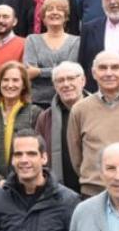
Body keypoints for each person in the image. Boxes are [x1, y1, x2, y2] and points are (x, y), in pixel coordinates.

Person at [68, 51, 119, 197]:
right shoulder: (79, 109)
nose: (108, 73)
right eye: (102, 68)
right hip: (92, 193)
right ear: (94, 73)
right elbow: (76, 157)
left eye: (115, 67)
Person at [0, 61, 42, 195]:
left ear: (24, 85)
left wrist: (17, 180)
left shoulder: (35, 113)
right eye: (5, 80)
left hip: (24, 188)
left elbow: (37, 152)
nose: (10, 85)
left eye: (15, 80)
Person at [35, 61, 88, 192]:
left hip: (94, 188)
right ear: (55, 86)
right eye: (60, 80)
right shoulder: (45, 118)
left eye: (71, 78)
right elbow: (39, 155)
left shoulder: (99, 110)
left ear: (83, 81)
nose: (66, 84)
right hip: (60, 192)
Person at [24, 0, 80, 108]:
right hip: (36, 103)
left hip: (66, 101)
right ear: (43, 17)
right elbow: (29, 73)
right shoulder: (32, 40)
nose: (54, 12)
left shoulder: (76, 41)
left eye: (59, 9)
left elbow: (69, 72)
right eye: (49, 9)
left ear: (66, 17)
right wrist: (58, 70)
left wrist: (39, 72)